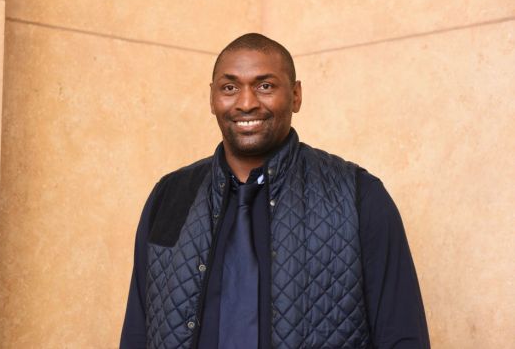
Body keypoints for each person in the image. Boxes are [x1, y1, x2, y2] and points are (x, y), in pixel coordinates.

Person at [120, 33, 430, 349]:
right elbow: (137, 332)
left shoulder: (359, 196)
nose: (246, 102)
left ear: (295, 95)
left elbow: (403, 335)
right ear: (212, 98)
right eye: (229, 88)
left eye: (265, 86)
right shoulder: (169, 197)